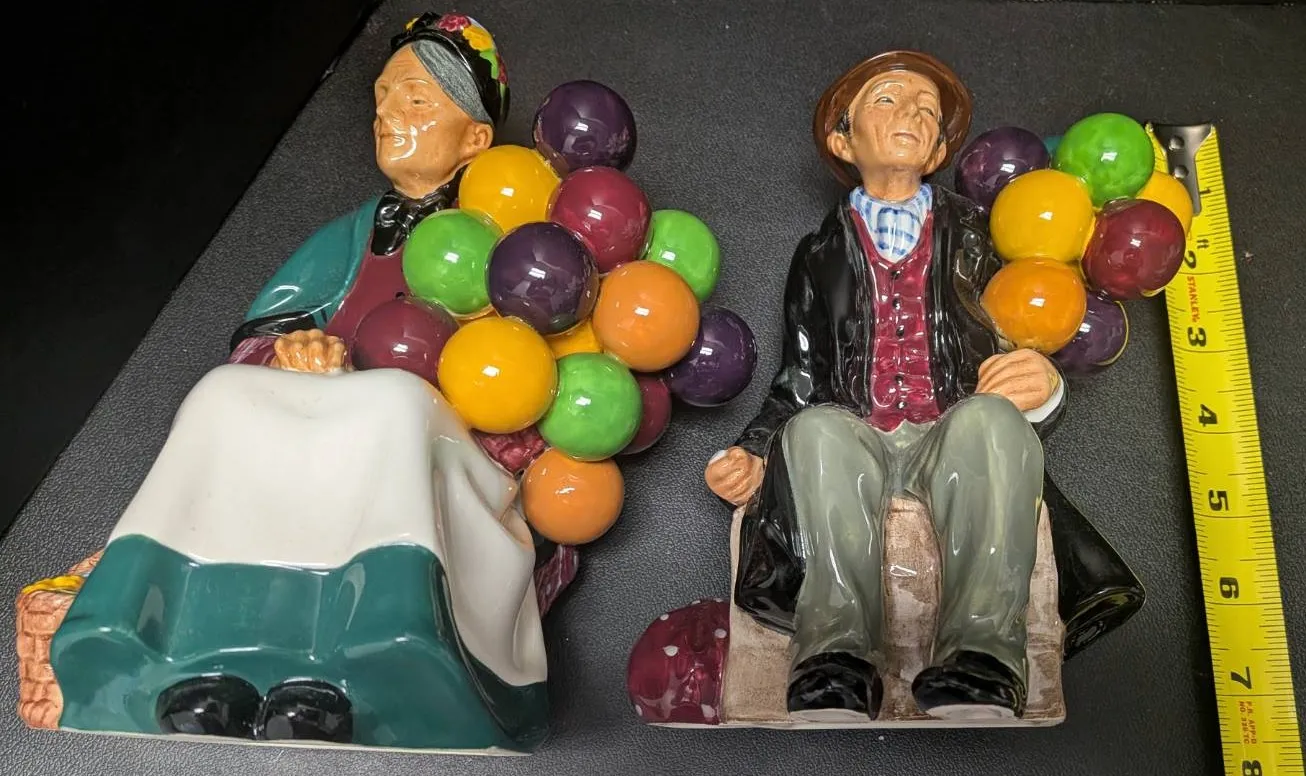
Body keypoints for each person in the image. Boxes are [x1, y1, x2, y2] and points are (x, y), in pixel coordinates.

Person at [704, 51, 1143, 722]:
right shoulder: (817, 255)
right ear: (842, 140)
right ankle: (835, 661)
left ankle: (983, 659)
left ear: (938, 150)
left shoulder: (982, 236)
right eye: (886, 99)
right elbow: (799, 377)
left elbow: (1026, 323)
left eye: (927, 110)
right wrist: (755, 451)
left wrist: (1044, 383)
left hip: (954, 430)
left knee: (990, 422)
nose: (910, 112)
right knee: (814, 430)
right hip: (859, 432)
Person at [228, 11, 508, 362]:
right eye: (382, 96)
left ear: (475, 138)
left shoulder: (500, 235)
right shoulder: (356, 234)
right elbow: (256, 343)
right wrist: (291, 354)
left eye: (416, 101)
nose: (384, 112)